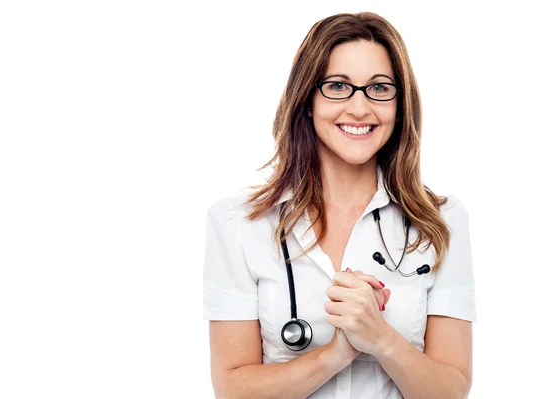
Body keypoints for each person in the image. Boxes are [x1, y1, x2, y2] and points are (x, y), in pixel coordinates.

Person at [202, 11, 476, 399]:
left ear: (400, 106)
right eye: (337, 86)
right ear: (307, 99)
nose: (360, 109)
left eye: (380, 88)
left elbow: (451, 390)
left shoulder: (440, 222)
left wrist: (380, 338)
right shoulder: (239, 224)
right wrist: (335, 354)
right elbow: (232, 389)